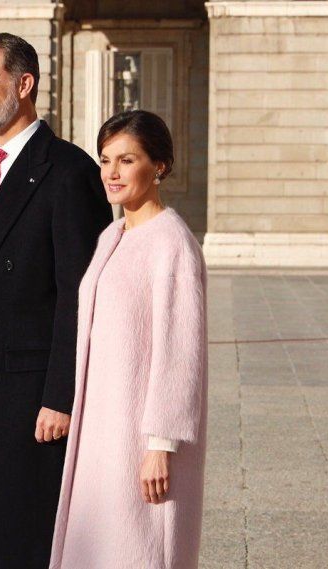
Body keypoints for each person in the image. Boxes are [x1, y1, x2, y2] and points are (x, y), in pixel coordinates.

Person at [0, 33, 113, 569]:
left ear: (24, 83)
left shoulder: (69, 171)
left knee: (19, 542)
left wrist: (62, 396)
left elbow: (80, 295)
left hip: (31, 398)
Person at [50, 110, 208, 568]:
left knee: (138, 551)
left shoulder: (172, 242)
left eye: (126, 159)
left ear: (158, 166)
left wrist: (160, 446)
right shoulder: (111, 235)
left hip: (142, 437)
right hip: (99, 430)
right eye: (105, 160)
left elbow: (181, 353)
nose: (111, 173)